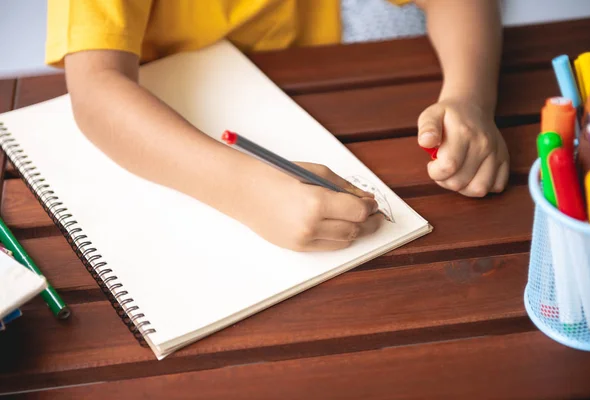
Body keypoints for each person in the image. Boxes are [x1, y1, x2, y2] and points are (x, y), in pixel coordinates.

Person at [45, 0, 509, 252]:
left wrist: (468, 97)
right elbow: (95, 90)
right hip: (159, 108)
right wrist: (245, 190)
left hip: (314, 71)